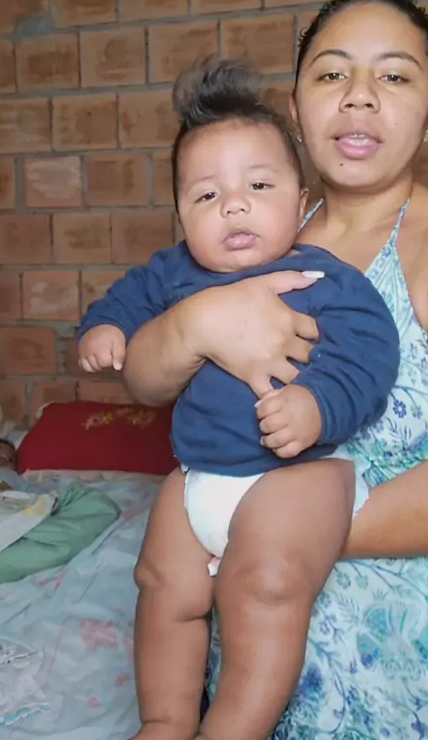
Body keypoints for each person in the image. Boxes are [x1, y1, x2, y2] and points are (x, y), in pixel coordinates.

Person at [121, 0, 428, 739]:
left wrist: (281, 531)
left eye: (395, 75)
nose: (359, 97)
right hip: (239, 625)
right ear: (295, 107)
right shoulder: (254, 223)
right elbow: (143, 381)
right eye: (332, 72)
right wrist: (193, 323)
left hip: (389, 656)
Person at [78, 58, 400, 740]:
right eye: (206, 195)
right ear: (180, 215)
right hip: (200, 474)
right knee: (161, 584)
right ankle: (165, 720)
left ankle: (233, 730)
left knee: (265, 590)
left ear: (300, 201)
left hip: (298, 474)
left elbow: (369, 353)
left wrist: (318, 406)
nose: (234, 206)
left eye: (258, 185)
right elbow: (127, 298)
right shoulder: (173, 272)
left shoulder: (322, 278)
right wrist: (105, 329)